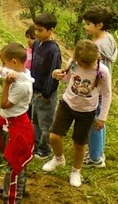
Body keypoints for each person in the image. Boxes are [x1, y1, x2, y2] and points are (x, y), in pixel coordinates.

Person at [43, 40, 112, 187]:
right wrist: (57, 74)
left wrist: (102, 117)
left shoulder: (102, 71)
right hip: (67, 105)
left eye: (89, 64)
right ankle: (58, 159)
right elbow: (68, 79)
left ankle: (76, 171)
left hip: (87, 112)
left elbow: (106, 94)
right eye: (83, 64)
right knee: (54, 136)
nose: (86, 67)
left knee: (79, 144)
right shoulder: (73, 63)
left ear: (96, 57)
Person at [0, 43, 34, 204]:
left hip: (16, 127)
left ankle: (12, 197)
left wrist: (7, 84)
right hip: (13, 123)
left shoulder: (21, 86)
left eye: (5, 63)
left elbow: (4, 104)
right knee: (14, 161)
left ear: (15, 62)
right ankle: (16, 189)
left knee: (15, 165)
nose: (3, 67)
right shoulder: (25, 74)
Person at [82, 5, 118, 168]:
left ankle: (95, 157)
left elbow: (96, 69)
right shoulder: (108, 38)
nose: (85, 26)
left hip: (97, 89)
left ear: (99, 25)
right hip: (104, 87)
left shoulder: (97, 47)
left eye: (88, 24)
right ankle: (99, 152)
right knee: (99, 122)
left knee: (94, 122)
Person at [31, 12, 62, 159]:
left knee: (45, 122)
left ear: (50, 30)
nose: (36, 33)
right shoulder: (37, 44)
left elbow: (53, 74)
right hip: (34, 89)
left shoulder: (53, 50)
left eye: (40, 30)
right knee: (35, 119)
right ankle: (35, 145)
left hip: (45, 93)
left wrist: (47, 93)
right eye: (35, 29)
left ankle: (44, 149)